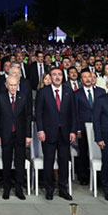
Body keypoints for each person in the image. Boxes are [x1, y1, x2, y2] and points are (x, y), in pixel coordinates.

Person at [35, 67, 76, 201]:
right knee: (49, 162)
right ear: (50, 77)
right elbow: (39, 113)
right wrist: (40, 130)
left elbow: (73, 113)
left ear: (63, 77)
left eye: (59, 74)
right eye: (54, 74)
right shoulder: (43, 92)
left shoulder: (69, 92)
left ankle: (63, 189)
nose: (57, 77)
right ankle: (49, 189)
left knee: (64, 162)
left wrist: (73, 131)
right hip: (48, 133)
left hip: (65, 133)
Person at [0, 75, 32, 200]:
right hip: (5, 134)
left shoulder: (23, 97)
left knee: (19, 163)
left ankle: (19, 189)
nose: (13, 87)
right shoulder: (0, 97)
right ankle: (6, 188)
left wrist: (28, 135)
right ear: (6, 85)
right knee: (6, 162)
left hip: (20, 135)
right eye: (10, 85)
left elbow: (28, 117)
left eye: (15, 85)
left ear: (18, 85)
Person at [74, 69, 104, 186]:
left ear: (93, 78)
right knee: (83, 152)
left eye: (89, 77)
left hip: (99, 127)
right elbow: (75, 112)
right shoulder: (77, 94)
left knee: (100, 152)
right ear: (81, 80)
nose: (87, 79)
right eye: (84, 77)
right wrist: (78, 129)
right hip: (83, 128)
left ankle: (100, 176)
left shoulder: (101, 92)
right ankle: (83, 176)